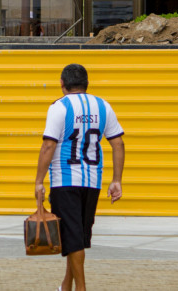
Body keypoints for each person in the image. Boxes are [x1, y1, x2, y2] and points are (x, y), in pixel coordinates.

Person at [34, 64, 125, 291]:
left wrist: (38, 181)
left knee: (73, 239)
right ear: (86, 83)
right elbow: (118, 143)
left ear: (62, 84)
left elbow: (48, 145)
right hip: (92, 181)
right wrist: (117, 180)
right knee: (76, 237)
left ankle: (81, 289)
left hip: (65, 180)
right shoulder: (103, 105)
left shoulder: (59, 107)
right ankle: (66, 286)